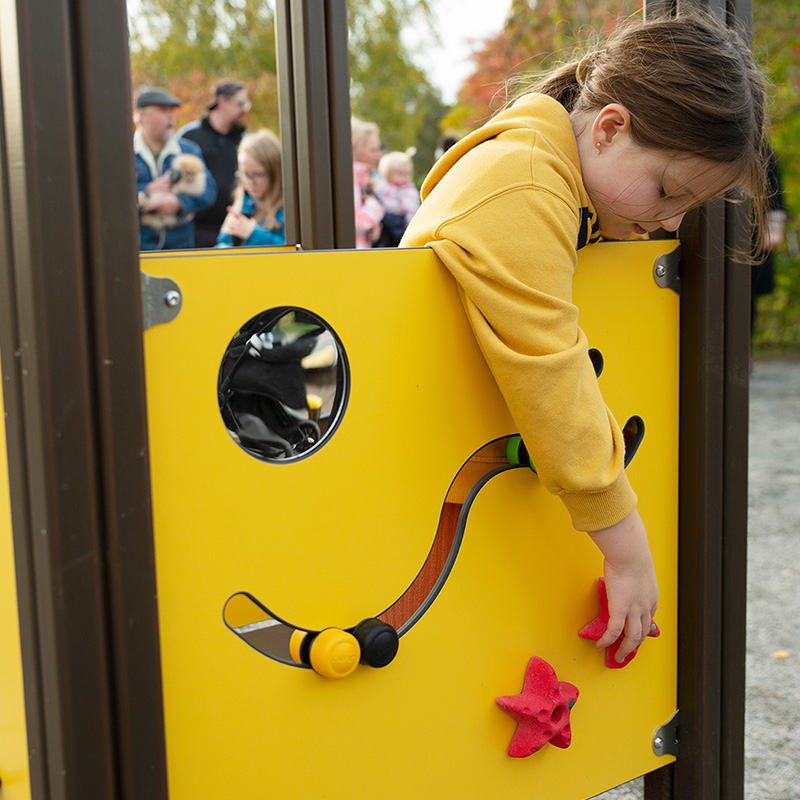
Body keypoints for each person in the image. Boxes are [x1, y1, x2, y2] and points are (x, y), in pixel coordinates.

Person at [401, 13, 767, 663]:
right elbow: (550, 372)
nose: (670, 222)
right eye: (666, 191)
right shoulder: (526, 181)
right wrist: (626, 549)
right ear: (609, 128)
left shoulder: (565, 185)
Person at [135, 87, 217, 251]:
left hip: (180, 250)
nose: (171, 117)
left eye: (172, 111)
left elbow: (210, 191)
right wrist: (146, 192)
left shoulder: (188, 150)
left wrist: (179, 203)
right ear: (142, 115)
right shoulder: (123, 154)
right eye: (164, 111)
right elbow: (109, 197)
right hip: (137, 251)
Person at [179, 81, 250, 247]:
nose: (244, 110)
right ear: (222, 101)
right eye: (240, 103)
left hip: (232, 230)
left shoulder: (243, 141)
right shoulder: (190, 138)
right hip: (195, 230)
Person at [216, 128, 285, 247]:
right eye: (246, 174)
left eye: (259, 175)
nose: (251, 182)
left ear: (275, 173)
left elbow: (293, 253)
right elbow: (222, 245)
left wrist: (252, 234)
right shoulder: (243, 204)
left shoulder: (288, 210)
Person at [751, 147, 787, 336]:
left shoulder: (764, 151)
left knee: (747, 306)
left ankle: (745, 360)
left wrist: (773, 229)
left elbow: (775, 194)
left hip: (753, 245)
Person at [373, 148, 420, 247]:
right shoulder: (381, 188)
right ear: (387, 174)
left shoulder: (409, 191)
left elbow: (412, 209)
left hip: (401, 225)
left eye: (407, 174)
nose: (405, 177)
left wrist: (410, 223)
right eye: (400, 174)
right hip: (384, 225)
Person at [351, 116, 384, 248]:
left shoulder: (362, 177)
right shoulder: (347, 179)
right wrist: (375, 209)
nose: (378, 155)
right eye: (372, 150)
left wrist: (375, 228)